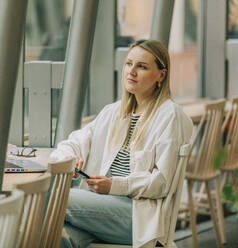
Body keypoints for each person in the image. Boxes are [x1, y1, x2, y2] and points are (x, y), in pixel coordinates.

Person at [50, 39, 193, 248]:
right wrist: (69, 160)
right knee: (60, 238)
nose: (131, 71)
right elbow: (74, 141)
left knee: (53, 196)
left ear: (161, 75)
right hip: (101, 210)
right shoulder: (114, 112)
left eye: (142, 67)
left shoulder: (169, 115)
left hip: (137, 216)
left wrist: (113, 186)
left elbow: (161, 182)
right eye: (129, 64)